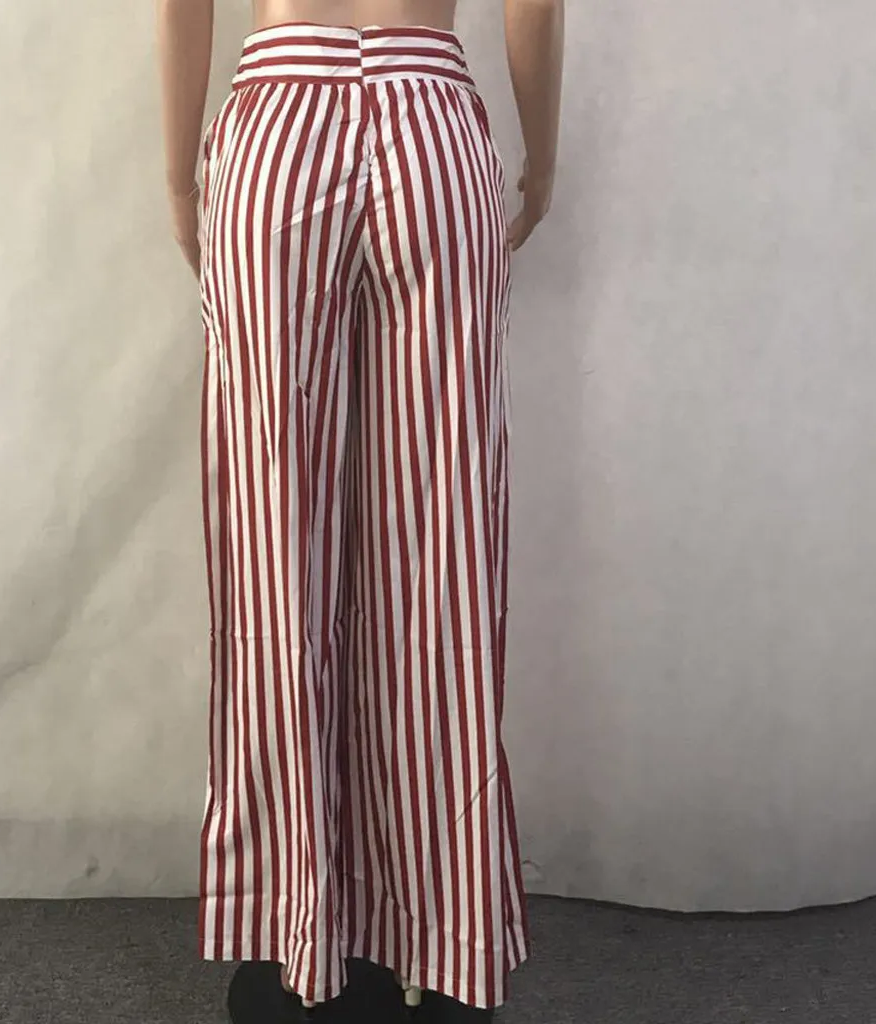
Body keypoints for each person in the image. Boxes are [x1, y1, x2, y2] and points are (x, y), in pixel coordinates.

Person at [156, 0, 564, 1015]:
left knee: (272, 542)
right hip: (433, 124)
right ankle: (439, 933)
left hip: (277, 126)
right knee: (444, 544)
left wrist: (177, 176)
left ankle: (292, 932)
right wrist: (542, 163)